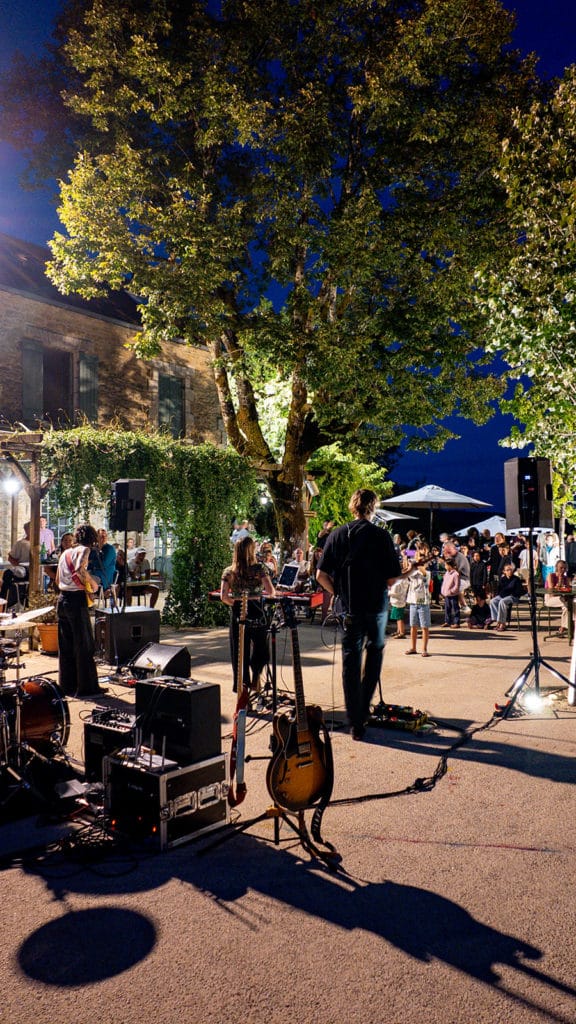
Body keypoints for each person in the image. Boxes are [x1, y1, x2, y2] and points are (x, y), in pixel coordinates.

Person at [317, 488, 401, 739]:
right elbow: (391, 578)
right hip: (375, 607)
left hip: (349, 608)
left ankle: (354, 721)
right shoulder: (381, 535)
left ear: (352, 506)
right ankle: (363, 712)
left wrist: (339, 593)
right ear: (373, 507)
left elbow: (320, 576)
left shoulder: (337, 534)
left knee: (350, 663)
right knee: (374, 655)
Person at [55, 523, 107, 697]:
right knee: (84, 645)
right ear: (92, 538)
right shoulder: (84, 550)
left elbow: (56, 580)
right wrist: (93, 585)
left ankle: (68, 686)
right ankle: (87, 688)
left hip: (62, 600)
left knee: (66, 646)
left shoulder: (65, 553)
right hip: (76, 601)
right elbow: (79, 571)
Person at [221, 535, 276, 692]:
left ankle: (242, 689)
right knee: (261, 648)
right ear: (252, 550)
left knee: (239, 652)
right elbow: (271, 591)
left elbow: (224, 597)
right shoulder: (260, 569)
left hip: (238, 611)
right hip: (256, 610)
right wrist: (256, 597)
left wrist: (237, 603)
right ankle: (256, 677)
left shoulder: (229, 572)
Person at [404, 550, 432, 656]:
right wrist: (406, 557)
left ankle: (424, 649)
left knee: (424, 627)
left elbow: (422, 571)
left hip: (423, 603)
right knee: (413, 626)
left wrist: (417, 560)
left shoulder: (427, 573)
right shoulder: (413, 573)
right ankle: (413, 648)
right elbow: (405, 570)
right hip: (413, 602)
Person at [0, 522, 30, 608]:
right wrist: (18, 565)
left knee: (8, 574)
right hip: (23, 570)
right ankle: (5, 600)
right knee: (7, 574)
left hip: (36, 571)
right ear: (26, 530)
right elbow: (11, 557)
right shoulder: (21, 543)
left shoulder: (40, 543)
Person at [488, 563, 525, 632]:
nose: (509, 571)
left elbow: (518, 591)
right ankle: (498, 621)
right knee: (493, 601)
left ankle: (503, 623)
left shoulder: (516, 579)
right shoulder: (503, 579)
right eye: (507, 570)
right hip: (503, 596)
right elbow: (500, 590)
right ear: (504, 571)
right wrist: (499, 595)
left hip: (513, 596)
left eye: (510, 570)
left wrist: (508, 594)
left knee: (502, 602)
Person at [544, 559, 571, 637]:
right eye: (561, 568)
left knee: (570, 605)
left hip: (562, 599)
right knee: (568, 604)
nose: (563, 570)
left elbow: (568, 589)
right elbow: (552, 590)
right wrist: (559, 580)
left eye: (564, 568)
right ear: (556, 567)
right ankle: (567, 628)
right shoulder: (551, 575)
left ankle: (563, 628)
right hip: (550, 598)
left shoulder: (565, 577)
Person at [88, 528, 117, 593]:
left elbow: (104, 564)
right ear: (96, 538)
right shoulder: (93, 550)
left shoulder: (109, 549)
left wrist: (92, 562)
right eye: (101, 536)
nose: (104, 538)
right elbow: (88, 564)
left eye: (105, 536)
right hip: (93, 573)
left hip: (104, 577)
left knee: (85, 580)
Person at [441, 558, 460, 628]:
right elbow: (444, 583)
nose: (445, 566)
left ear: (449, 565)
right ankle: (447, 621)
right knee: (447, 608)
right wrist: (443, 591)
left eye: (446, 565)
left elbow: (456, 585)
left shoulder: (455, 574)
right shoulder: (446, 573)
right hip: (446, 594)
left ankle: (456, 622)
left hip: (453, 594)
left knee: (455, 609)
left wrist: (451, 591)